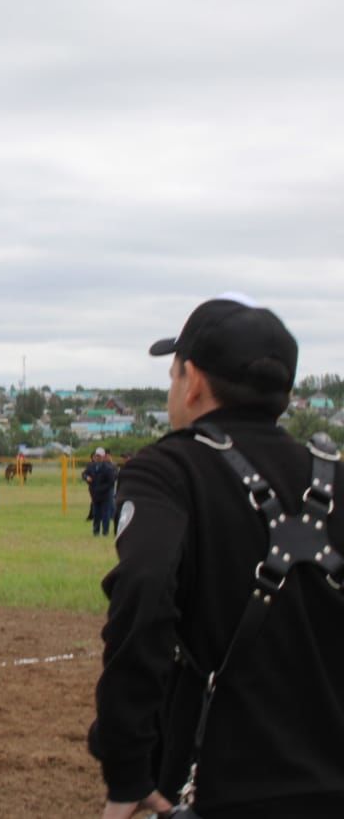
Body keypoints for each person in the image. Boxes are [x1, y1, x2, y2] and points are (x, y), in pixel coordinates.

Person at [88, 294, 344, 818]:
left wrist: (127, 765)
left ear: (193, 380)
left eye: (173, 374)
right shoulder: (335, 475)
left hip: (226, 784)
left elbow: (143, 593)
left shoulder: (168, 470)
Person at [83, 447, 117, 536]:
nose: (97, 457)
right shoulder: (91, 466)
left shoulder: (108, 468)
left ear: (103, 457)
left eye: (99, 456)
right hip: (95, 495)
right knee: (96, 513)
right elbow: (84, 474)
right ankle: (96, 532)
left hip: (105, 495)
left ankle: (105, 532)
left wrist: (100, 489)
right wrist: (87, 477)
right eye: (96, 456)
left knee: (105, 514)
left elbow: (111, 482)